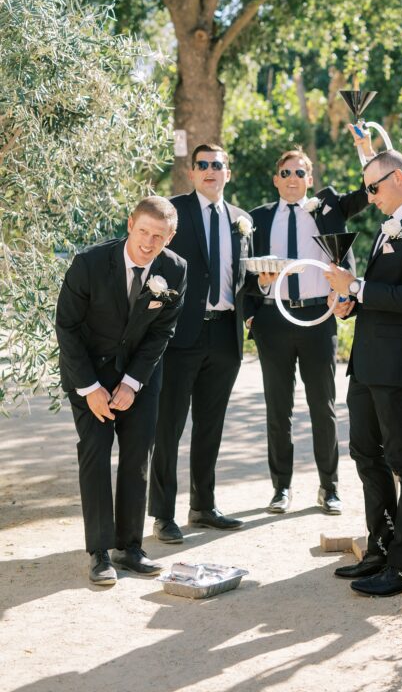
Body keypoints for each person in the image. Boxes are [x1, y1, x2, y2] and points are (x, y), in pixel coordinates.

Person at [325, 149, 402, 597]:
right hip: (366, 364)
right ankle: (379, 548)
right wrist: (348, 304)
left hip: (397, 367)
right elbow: (381, 296)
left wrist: (356, 286)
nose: (369, 196)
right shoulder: (389, 227)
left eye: (373, 187)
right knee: (365, 455)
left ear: (397, 178)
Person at [56, 196, 187, 585]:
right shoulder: (89, 264)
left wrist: (132, 383)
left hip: (139, 377)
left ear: (170, 236)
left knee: (137, 456)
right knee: (95, 453)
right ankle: (99, 552)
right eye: (144, 231)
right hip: (88, 374)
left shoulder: (175, 269)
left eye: (158, 236)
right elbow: (67, 328)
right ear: (130, 224)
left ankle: (130, 547)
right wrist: (90, 388)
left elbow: (163, 330)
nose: (149, 243)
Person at [245, 139, 370, 516]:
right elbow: (243, 271)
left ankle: (329, 488)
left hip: (318, 319)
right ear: (276, 180)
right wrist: (254, 303)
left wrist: (366, 148)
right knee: (278, 409)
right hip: (273, 319)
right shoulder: (258, 217)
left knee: (323, 407)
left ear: (310, 177)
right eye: (286, 172)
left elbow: (370, 189)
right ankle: (281, 489)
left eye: (300, 171)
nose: (293, 178)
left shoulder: (329, 207)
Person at [148, 144, 254, 544]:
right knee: (168, 427)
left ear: (229, 172)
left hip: (226, 336)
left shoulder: (241, 221)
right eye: (203, 165)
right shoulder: (172, 212)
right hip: (179, 337)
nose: (211, 171)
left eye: (218, 165)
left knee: (210, 426)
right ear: (192, 173)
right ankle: (162, 514)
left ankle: (203, 507)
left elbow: (243, 279)